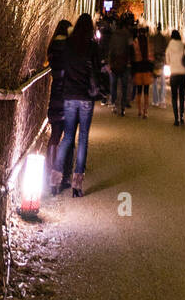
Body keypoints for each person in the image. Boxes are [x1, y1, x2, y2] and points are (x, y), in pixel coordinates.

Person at [55, 13, 102, 197]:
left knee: (67, 137)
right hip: (85, 98)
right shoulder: (92, 46)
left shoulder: (68, 45)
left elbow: (61, 67)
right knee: (82, 138)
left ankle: (55, 181)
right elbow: (97, 71)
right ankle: (77, 185)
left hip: (68, 96)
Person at [46, 19, 72, 194]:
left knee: (55, 134)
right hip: (69, 93)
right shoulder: (71, 47)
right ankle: (64, 175)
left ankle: (50, 173)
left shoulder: (51, 47)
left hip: (55, 93)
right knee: (68, 136)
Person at [107, 14, 132, 116]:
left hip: (114, 63)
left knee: (114, 85)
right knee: (124, 85)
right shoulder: (127, 35)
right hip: (125, 63)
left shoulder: (113, 36)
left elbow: (110, 50)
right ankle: (122, 106)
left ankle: (114, 104)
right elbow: (130, 49)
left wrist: (109, 62)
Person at [164, 29, 185, 125]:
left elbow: (167, 60)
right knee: (182, 95)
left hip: (174, 74)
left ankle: (176, 119)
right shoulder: (183, 46)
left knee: (174, 97)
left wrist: (172, 64)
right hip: (183, 74)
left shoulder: (169, 47)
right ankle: (182, 117)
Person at [131, 26, 153, 118]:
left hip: (138, 69)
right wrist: (152, 70)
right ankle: (145, 111)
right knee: (146, 92)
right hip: (147, 69)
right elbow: (151, 57)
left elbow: (133, 58)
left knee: (139, 91)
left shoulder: (135, 42)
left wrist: (132, 71)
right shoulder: (148, 42)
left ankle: (139, 110)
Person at [151, 23, 168, 106]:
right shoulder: (163, 38)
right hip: (161, 61)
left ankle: (155, 100)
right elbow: (165, 49)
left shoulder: (153, 38)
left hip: (154, 61)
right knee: (162, 81)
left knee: (154, 81)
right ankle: (162, 99)